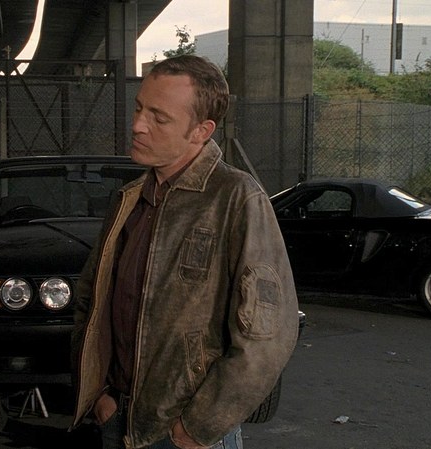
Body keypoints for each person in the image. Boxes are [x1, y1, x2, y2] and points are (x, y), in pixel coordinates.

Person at [70, 55, 299, 449]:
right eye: (139, 108)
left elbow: (267, 333)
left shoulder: (236, 199)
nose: (138, 125)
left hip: (182, 432)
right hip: (115, 417)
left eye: (159, 118)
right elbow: (91, 301)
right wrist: (99, 395)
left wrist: (199, 425)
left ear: (200, 131)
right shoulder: (129, 198)